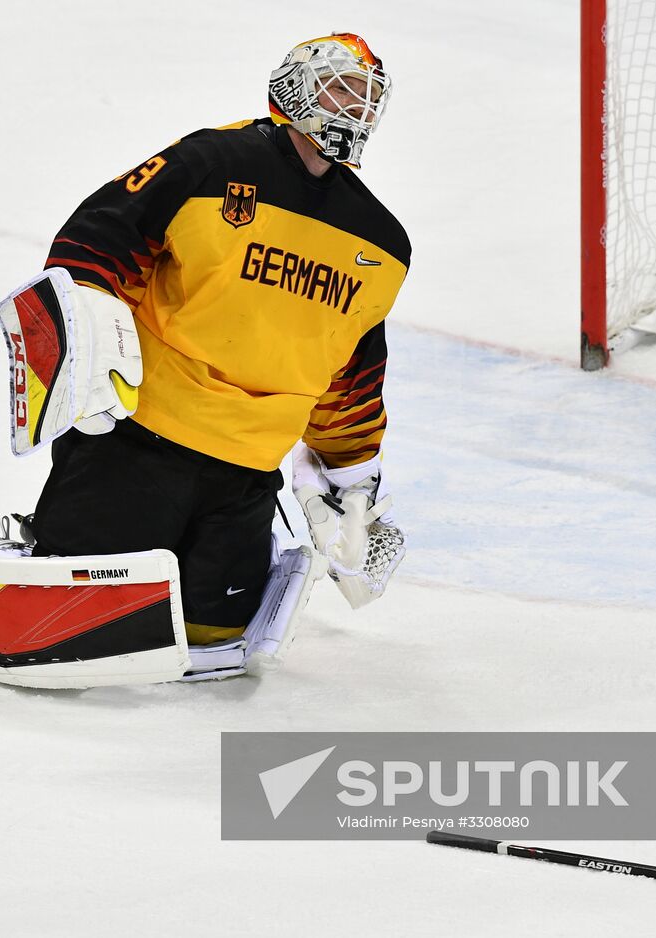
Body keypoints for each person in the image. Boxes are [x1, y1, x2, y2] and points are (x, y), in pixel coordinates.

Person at [26, 33, 411, 649]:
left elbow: (352, 371)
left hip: (247, 473)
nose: (354, 106)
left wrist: (353, 482)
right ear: (295, 87)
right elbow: (93, 248)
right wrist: (85, 354)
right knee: (83, 621)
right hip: (139, 440)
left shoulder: (382, 242)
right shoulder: (211, 164)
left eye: (367, 96)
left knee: (214, 639)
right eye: (341, 86)